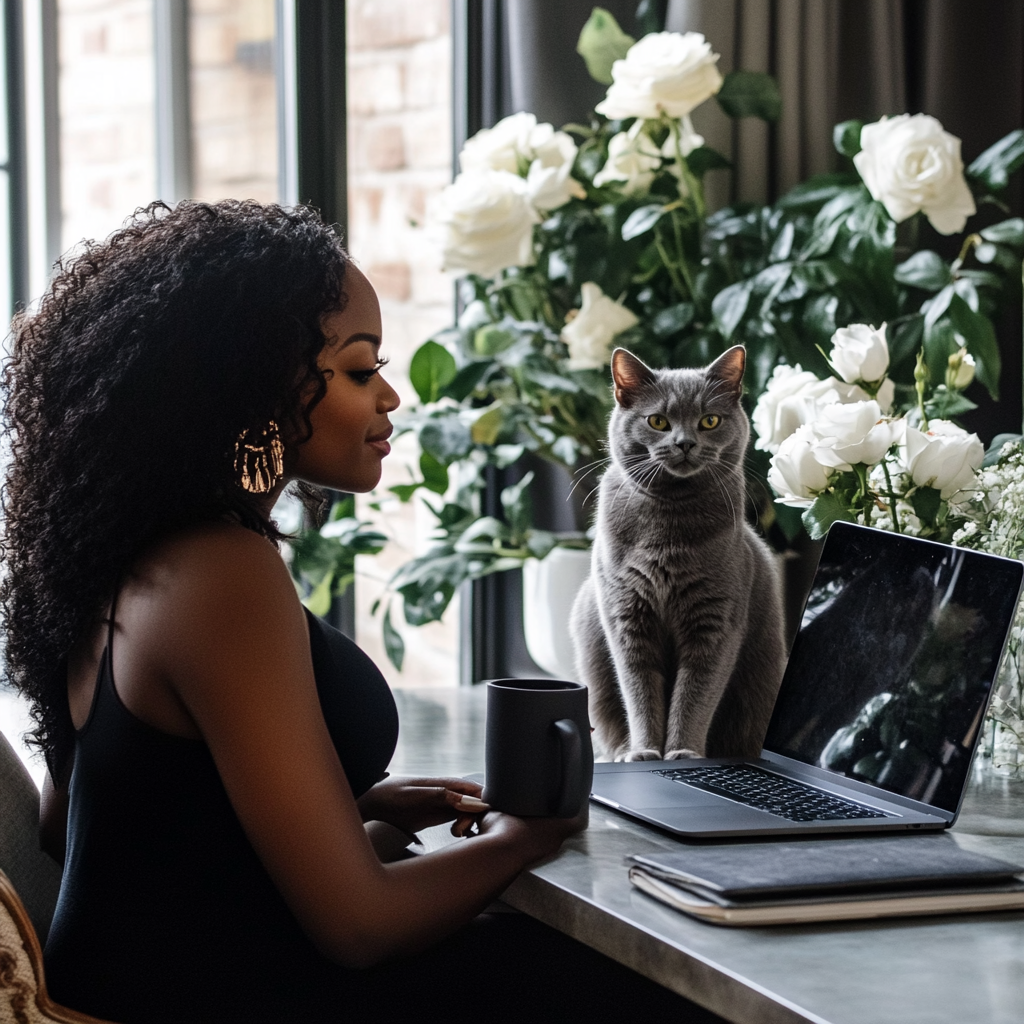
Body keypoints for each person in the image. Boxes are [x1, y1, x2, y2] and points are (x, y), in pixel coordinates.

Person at [1, 200, 725, 1024]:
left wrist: (351, 810)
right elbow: (359, 927)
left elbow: (92, 826)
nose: (389, 398)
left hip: (138, 992)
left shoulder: (124, 553)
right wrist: (531, 834)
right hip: (217, 1007)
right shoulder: (219, 575)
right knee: (654, 985)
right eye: (355, 370)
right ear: (245, 385)